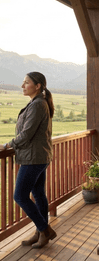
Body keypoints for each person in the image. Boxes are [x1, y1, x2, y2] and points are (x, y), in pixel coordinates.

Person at [0, 72, 56, 248]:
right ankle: (40, 233)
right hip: (38, 156)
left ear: (37, 86)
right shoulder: (37, 103)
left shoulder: (38, 104)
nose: (22, 86)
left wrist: (7, 145)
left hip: (34, 158)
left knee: (19, 196)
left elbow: (27, 133)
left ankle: (44, 230)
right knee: (39, 194)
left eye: (26, 83)